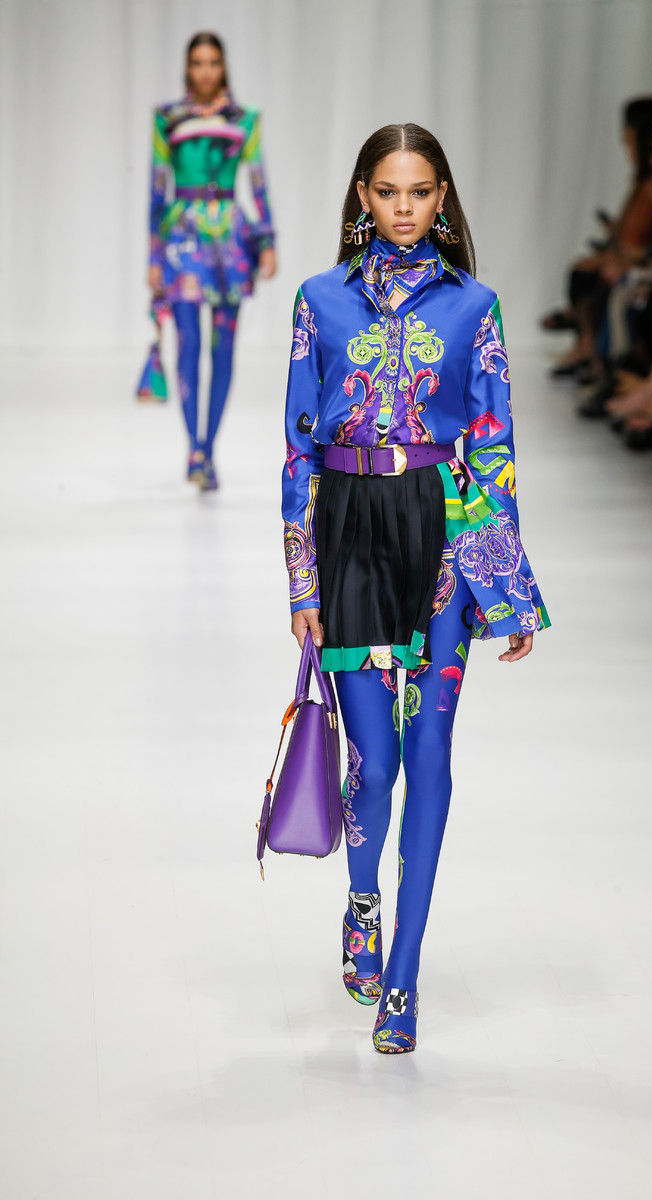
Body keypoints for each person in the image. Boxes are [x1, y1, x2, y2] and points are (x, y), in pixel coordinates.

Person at [281, 124, 550, 1054]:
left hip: (442, 535)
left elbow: (494, 447)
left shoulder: (477, 306)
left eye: (421, 191)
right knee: (374, 761)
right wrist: (300, 581)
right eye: (389, 191)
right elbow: (298, 449)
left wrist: (506, 585)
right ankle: (363, 899)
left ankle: (404, 972)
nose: (404, 207)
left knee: (429, 750)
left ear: (442, 198)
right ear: (363, 194)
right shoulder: (319, 301)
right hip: (350, 534)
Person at [142, 31, 277, 491]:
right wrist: (153, 255)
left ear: (223, 66)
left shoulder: (244, 119)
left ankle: (208, 449)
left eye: (213, 62)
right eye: (197, 62)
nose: (205, 71)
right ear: (187, 67)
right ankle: (194, 448)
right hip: (181, 241)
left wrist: (268, 240)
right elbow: (157, 188)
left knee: (223, 349)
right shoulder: (167, 118)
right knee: (188, 344)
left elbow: (257, 182)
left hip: (230, 244)